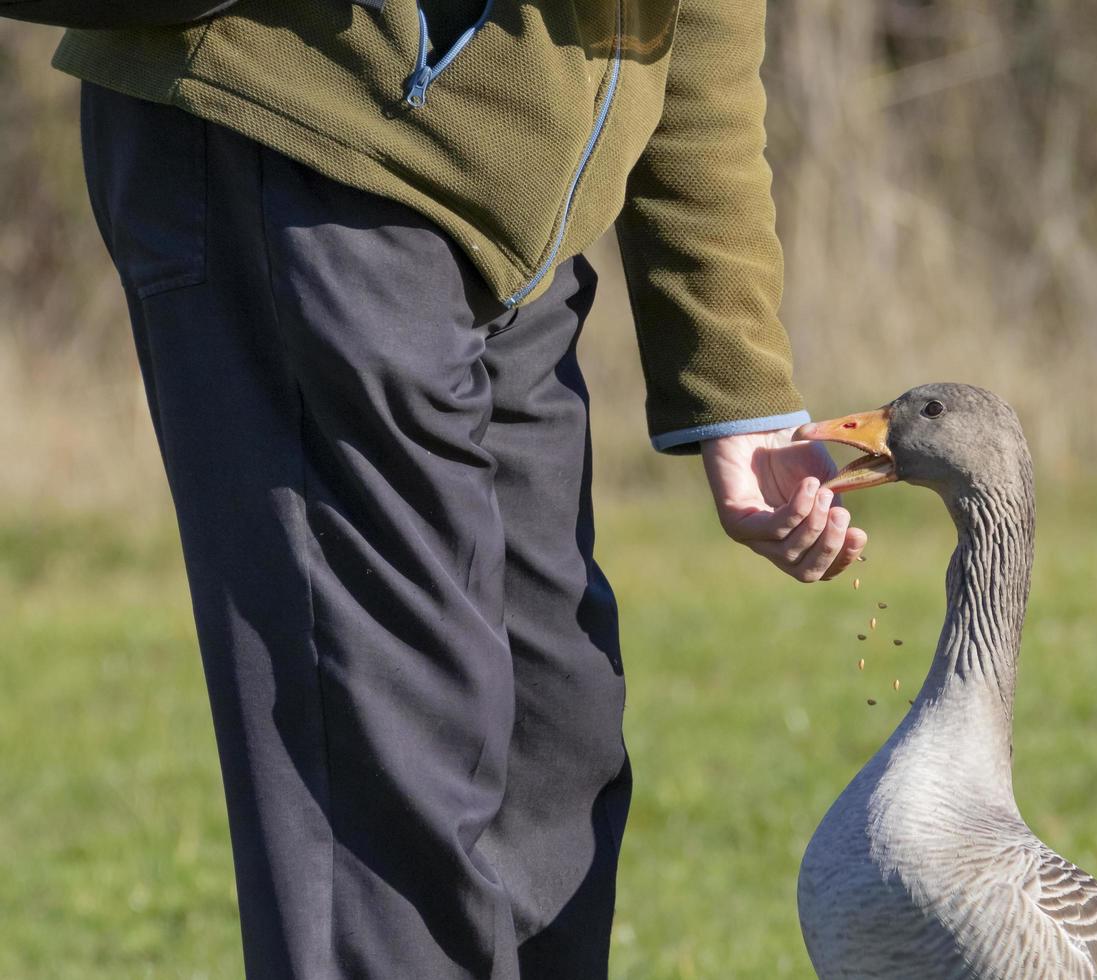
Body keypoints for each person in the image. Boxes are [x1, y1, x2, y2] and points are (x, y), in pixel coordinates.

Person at [45, 2, 866, 977]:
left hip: (516, 235)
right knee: (397, 781)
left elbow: (695, 29)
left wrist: (734, 389)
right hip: (316, 134)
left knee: (551, 747)